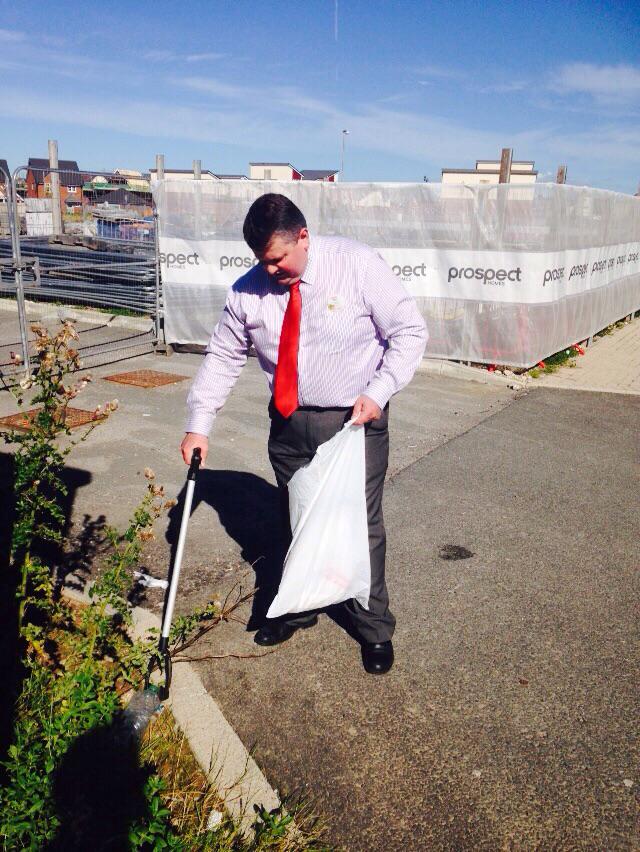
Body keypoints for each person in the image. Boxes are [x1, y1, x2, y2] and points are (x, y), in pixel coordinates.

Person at [181, 193, 427, 674]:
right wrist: (199, 425)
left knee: (360, 525)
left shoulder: (355, 265)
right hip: (289, 423)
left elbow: (410, 332)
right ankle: (300, 606)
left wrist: (379, 391)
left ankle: (373, 626)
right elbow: (223, 358)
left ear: (303, 237)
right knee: (296, 518)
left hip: (354, 421)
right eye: (262, 261)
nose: (271, 270)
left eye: (278, 258)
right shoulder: (247, 292)